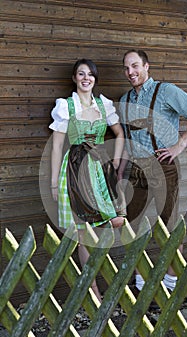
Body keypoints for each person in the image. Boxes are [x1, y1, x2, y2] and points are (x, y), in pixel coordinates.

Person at [118, 49, 187, 293]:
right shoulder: (126, 99)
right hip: (136, 170)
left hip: (163, 166)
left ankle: (171, 282)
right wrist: (121, 173)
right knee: (134, 226)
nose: (131, 72)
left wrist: (179, 145)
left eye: (135, 66)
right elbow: (127, 140)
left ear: (146, 66)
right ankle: (140, 282)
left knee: (170, 223)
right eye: (126, 68)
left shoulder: (166, 91)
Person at [49, 58, 126, 301]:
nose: (86, 78)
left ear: (95, 78)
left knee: (116, 221)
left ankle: (110, 277)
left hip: (102, 169)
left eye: (90, 74)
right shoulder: (66, 106)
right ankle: (93, 291)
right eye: (81, 74)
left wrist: (114, 161)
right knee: (82, 233)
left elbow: (120, 134)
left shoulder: (104, 105)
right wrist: (53, 182)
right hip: (75, 170)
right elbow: (57, 145)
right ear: (74, 78)